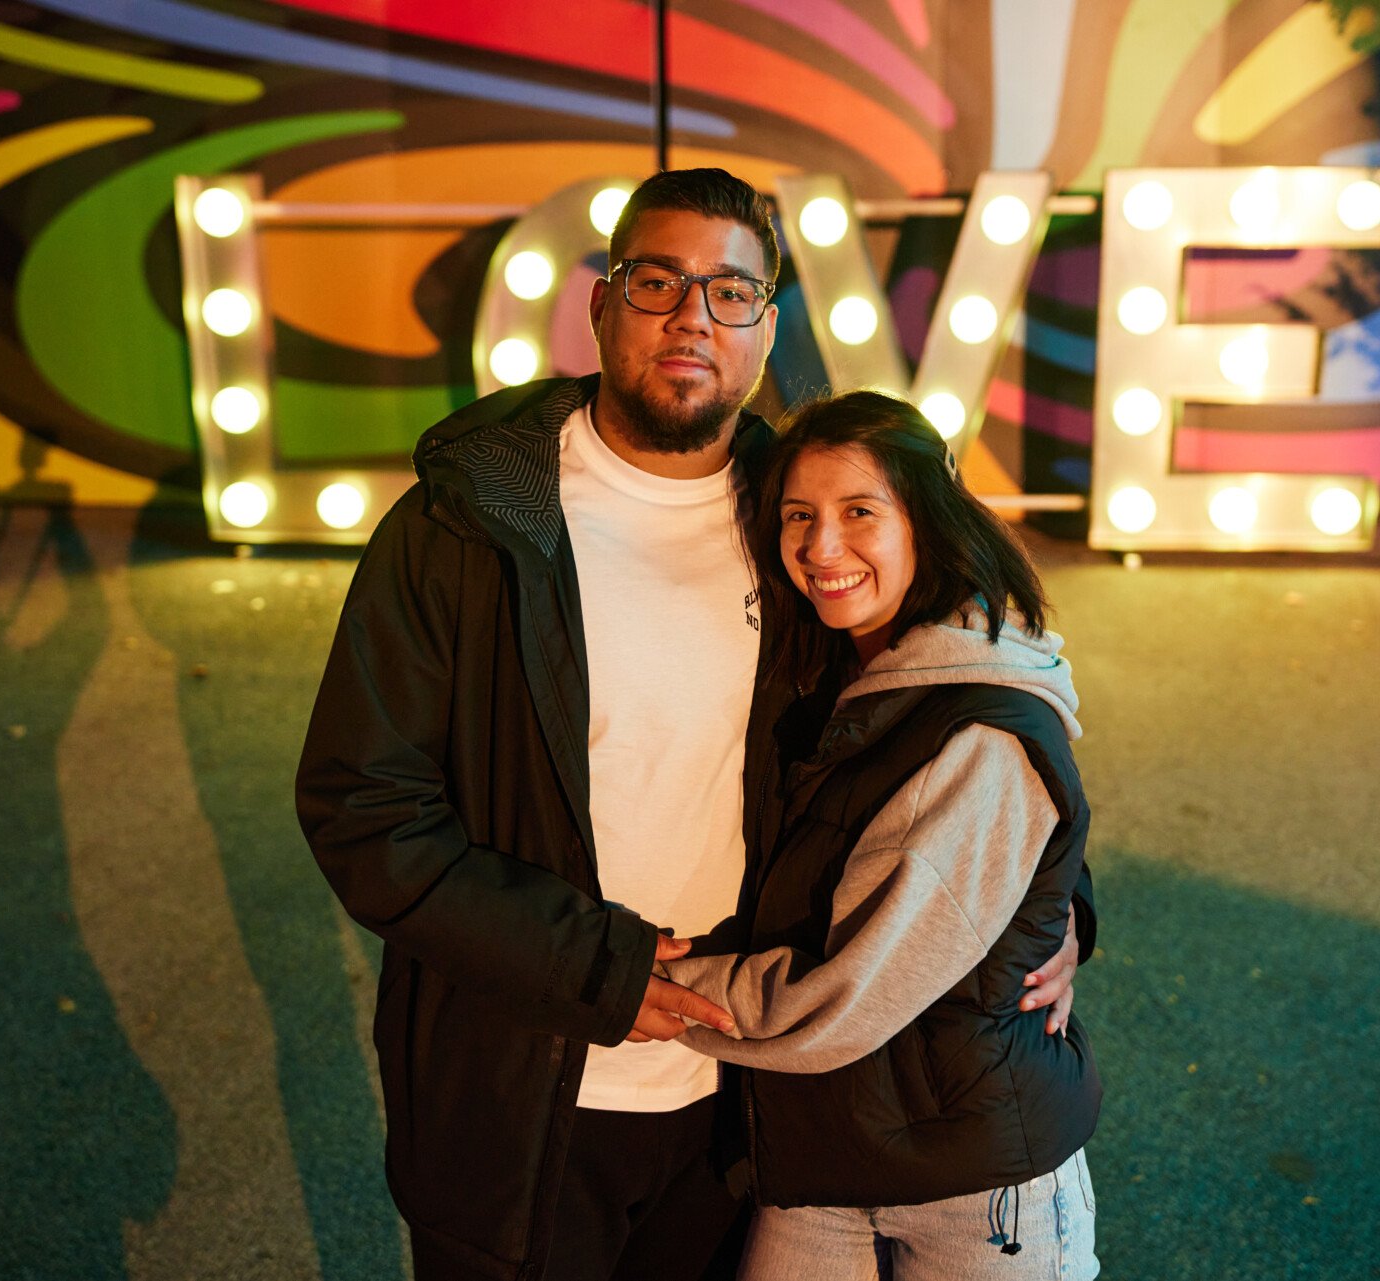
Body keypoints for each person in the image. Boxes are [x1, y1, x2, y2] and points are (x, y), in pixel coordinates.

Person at [295, 169, 1079, 1281]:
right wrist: (597, 967)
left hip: (745, 1108)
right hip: (519, 1088)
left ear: (766, 329)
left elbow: (956, 710)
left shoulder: (801, 522)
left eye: (730, 292)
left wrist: (1047, 911)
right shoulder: (467, 525)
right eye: (659, 282)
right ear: (602, 304)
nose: (691, 318)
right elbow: (363, 810)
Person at [662, 390, 1102, 1280]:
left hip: (979, 1186)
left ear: (926, 522)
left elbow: (844, 994)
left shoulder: (976, 723)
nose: (822, 548)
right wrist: (1066, 914)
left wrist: (638, 984)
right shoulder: (833, 674)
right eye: (799, 516)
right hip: (824, 1152)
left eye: (859, 512)